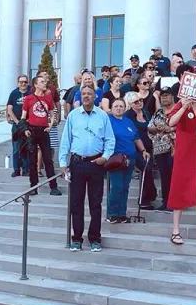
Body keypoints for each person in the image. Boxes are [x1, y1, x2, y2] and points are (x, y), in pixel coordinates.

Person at [59, 85, 116, 252]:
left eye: (89, 94)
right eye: (83, 94)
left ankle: (94, 239)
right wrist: (63, 163)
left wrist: (105, 157)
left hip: (96, 164)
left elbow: (110, 140)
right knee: (76, 203)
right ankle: (76, 238)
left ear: (95, 96)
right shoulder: (73, 116)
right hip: (77, 163)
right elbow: (65, 141)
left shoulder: (103, 116)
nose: (86, 96)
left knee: (95, 204)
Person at [167, 95, 196, 245]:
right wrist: (183, 107)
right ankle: (175, 230)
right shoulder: (180, 104)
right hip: (183, 150)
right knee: (179, 187)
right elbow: (171, 122)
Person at [105, 98, 151, 224]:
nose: (119, 108)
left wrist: (143, 150)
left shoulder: (128, 122)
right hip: (116, 159)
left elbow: (136, 138)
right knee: (117, 186)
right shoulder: (108, 121)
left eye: (121, 106)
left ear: (124, 108)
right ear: (112, 108)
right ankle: (112, 214)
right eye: (116, 106)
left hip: (130, 159)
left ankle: (122, 214)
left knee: (125, 187)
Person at [21, 75, 61, 196]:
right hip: (32, 130)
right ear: (36, 85)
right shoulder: (28, 99)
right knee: (32, 161)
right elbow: (23, 117)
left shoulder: (48, 97)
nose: (45, 83)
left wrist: (50, 124)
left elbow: (51, 112)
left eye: (45, 81)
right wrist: (25, 130)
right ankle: (33, 186)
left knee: (48, 159)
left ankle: (53, 186)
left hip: (44, 131)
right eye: (42, 82)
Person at [148, 84, 176, 212]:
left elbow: (184, 127)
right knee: (164, 176)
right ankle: (165, 201)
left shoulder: (177, 110)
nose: (164, 99)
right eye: (162, 97)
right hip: (159, 148)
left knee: (173, 175)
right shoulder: (158, 112)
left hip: (174, 148)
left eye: (167, 96)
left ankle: (175, 201)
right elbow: (150, 127)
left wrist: (170, 129)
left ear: (172, 96)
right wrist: (154, 129)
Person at [6, 74, 30, 177]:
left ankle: (25, 169)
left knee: (27, 147)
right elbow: (9, 109)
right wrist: (17, 122)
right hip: (16, 125)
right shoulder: (14, 93)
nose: (23, 84)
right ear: (18, 83)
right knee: (16, 148)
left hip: (28, 125)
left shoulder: (30, 93)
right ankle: (16, 170)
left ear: (27, 83)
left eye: (25, 82)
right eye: (21, 82)